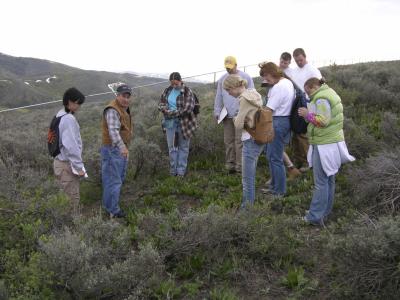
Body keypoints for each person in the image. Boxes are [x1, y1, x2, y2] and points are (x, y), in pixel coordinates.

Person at [298, 78, 354, 225]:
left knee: (321, 182)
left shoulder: (321, 98)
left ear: (314, 87)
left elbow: (323, 121)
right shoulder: (330, 93)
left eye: (308, 91)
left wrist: (306, 115)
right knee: (329, 179)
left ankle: (315, 217)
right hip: (331, 142)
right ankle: (324, 212)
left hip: (324, 144)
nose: (307, 95)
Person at [222, 74, 264, 208]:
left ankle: (246, 209)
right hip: (258, 137)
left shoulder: (244, 99)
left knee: (247, 180)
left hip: (249, 139)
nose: (228, 93)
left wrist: (235, 118)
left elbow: (238, 124)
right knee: (250, 176)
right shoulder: (254, 93)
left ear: (234, 86)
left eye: (228, 90)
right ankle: (249, 205)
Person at [259, 62, 295, 196]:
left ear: (272, 72)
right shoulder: (287, 82)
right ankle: (274, 186)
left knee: (275, 158)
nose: (265, 79)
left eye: (266, 75)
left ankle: (279, 191)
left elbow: (269, 109)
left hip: (277, 122)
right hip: (283, 120)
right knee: (272, 156)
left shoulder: (278, 87)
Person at [214, 56, 255, 174]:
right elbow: (219, 96)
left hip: (241, 114)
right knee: (228, 141)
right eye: (227, 68)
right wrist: (217, 111)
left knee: (240, 141)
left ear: (236, 65)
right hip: (227, 115)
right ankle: (230, 164)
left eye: (231, 67)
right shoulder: (222, 79)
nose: (229, 70)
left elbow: (252, 93)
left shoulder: (245, 77)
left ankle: (240, 167)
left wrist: (249, 112)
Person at [101, 84, 133, 218]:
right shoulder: (113, 110)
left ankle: (111, 206)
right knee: (113, 180)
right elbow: (113, 132)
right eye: (123, 96)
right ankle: (112, 210)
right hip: (113, 149)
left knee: (116, 178)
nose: (126, 99)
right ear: (117, 95)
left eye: (128, 96)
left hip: (118, 149)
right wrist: (122, 147)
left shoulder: (122, 108)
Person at [53, 87, 86, 215]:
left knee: (65, 196)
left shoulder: (59, 115)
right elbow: (71, 147)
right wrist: (79, 167)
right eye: (78, 103)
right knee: (72, 198)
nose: (79, 106)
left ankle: (67, 225)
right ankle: (72, 227)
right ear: (69, 102)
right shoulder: (68, 119)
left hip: (58, 163)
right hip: (66, 165)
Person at [159, 72, 197, 177]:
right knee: (172, 148)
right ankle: (173, 171)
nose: (174, 86)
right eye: (172, 84)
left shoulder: (187, 91)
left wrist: (170, 112)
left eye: (176, 83)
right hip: (169, 123)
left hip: (184, 123)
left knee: (183, 147)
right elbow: (161, 103)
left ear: (180, 81)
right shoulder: (167, 90)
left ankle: (181, 172)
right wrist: (163, 108)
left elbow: (187, 109)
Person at [290, 48, 322, 172]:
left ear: (305, 57)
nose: (299, 62)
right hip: (296, 102)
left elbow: (319, 86)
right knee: (296, 132)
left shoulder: (312, 70)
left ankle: (306, 162)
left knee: (303, 132)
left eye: (301, 60)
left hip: (308, 103)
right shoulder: (295, 70)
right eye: (297, 61)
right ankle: (298, 159)